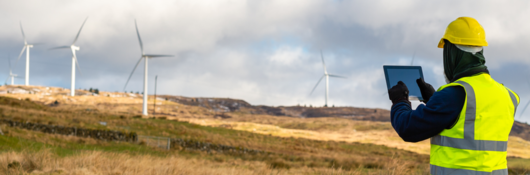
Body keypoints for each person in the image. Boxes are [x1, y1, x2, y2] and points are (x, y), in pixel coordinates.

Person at [388, 17, 519, 174]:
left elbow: (408, 128)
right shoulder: (508, 95)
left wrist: (399, 101)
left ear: (452, 52)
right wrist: (434, 99)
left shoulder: (455, 93)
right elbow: (469, 122)